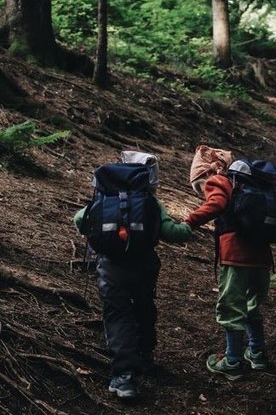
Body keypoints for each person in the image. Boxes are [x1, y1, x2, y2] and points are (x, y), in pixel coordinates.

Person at [74, 151, 193, 399]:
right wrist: (189, 227)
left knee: (118, 316)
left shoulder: (105, 197)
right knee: (144, 307)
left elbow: (80, 220)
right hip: (144, 266)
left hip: (111, 267)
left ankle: (125, 376)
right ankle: (145, 356)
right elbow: (172, 232)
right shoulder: (150, 202)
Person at [185, 145, 273, 381]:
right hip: (262, 257)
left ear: (205, 174)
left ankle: (232, 361)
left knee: (231, 307)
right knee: (252, 305)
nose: (202, 191)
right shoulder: (248, 184)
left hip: (236, 256)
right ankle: (257, 353)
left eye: (199, 185)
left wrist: (189, 222)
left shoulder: (218, 180)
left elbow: (216, 205)